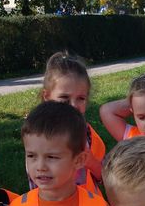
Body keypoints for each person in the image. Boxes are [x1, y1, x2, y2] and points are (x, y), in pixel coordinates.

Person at [39, 51, 104, 191]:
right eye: (64, 98)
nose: (73, 106)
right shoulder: (38, 136)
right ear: (47, 97)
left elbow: (103, 177)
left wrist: (90, 161)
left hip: (89, 202)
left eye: (80, 98)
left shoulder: (88, 136)